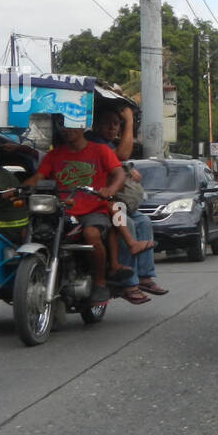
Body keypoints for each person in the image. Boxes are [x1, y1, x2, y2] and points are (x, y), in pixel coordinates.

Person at [21, 122, 125, 304]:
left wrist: (110, 190)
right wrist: (20, 188)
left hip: (93, 209)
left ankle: (100, 282)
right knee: (28, 231)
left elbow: (119, 173)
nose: (65, 130)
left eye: (70, 126)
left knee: (91, 234)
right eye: (62, 126)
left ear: (82, 127)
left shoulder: (100, 150)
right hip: (61, 208)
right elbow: (38, 178)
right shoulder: (54, 155)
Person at [87, 107, 167, 303]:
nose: (113, 127)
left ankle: (144, 276)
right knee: (128, 225)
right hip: (98, 201)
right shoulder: (93, 141)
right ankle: (128, 283)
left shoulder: (106, 143)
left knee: (144, 222)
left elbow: (119, 162)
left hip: (116, 201)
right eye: (108, 123)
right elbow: (121, 155)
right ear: (97, 124)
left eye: (117, 123)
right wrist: (129, 121)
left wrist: (127, 169)